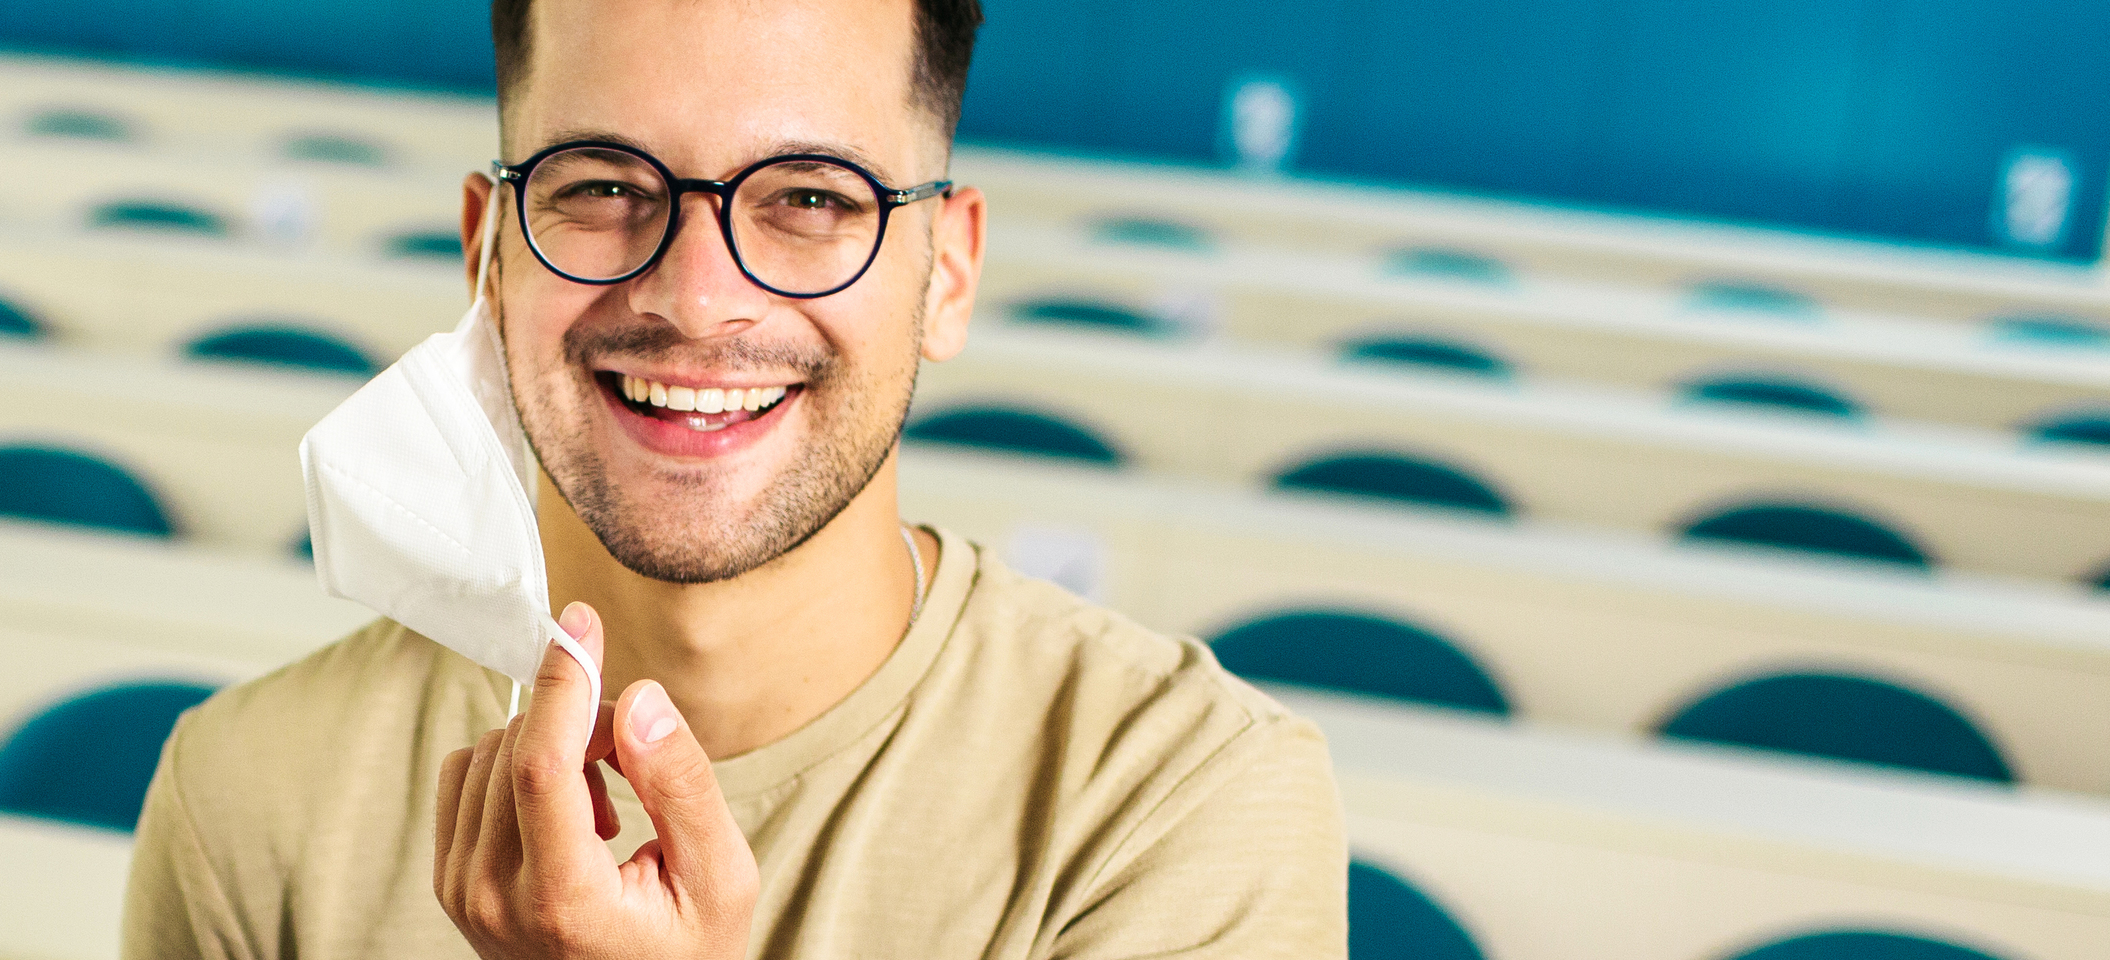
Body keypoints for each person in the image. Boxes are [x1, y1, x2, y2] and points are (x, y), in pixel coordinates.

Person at [124, 0, 1346, 955]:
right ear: (487, 258)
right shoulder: (249, 799)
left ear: (948, 273)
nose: (698, 298)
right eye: (603, 186)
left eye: (812, 198)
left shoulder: (1174, 807)